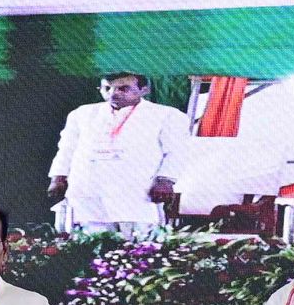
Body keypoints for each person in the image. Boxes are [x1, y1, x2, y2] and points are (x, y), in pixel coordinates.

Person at [47, 71, 190, 234]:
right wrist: (58, 177)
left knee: (139, 244)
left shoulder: (167, 115)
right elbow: (67, 148)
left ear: (144, 90)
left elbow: (176, 152)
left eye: (123, 88)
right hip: (89, 192)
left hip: (137, 192)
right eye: (107, 88)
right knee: (89, 241)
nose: (113, 94)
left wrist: (166, 181)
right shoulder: (82, 114)